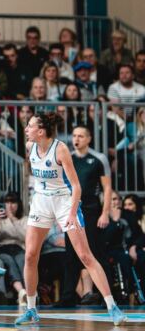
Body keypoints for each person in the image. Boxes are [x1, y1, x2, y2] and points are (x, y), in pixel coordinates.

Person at [14, 113, 126, 326]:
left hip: (65, 202)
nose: (26, 129)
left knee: (85, 255)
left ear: (41, 131)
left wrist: (73, 213)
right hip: (41, 201)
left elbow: (76, 186)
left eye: (30, 126)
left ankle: (112, 307)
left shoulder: (61, 149)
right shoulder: (30, 147)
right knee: (30, 255)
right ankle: (31, 309)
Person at [58, 125, 112, 307]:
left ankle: (108, 298)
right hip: (72, 210)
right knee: (70, 254)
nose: (76, 139)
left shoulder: (99, 159)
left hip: (92, 211)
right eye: (74, 135)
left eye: (81, 136)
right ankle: (67, 298)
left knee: (96, 253)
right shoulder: (69, 158)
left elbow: (107, 188)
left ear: (89, 139)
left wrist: (105, 213)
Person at [0, 191, 29, 307]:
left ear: (18, 204)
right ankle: (21, 291)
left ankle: (28, 293)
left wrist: (12, 219)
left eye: (13, 202)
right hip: (3, 248)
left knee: (22, 260)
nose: (10, 205)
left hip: (18, 247)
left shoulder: (24, 219)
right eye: (7, 202)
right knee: (9, 261)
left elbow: (25, 236)